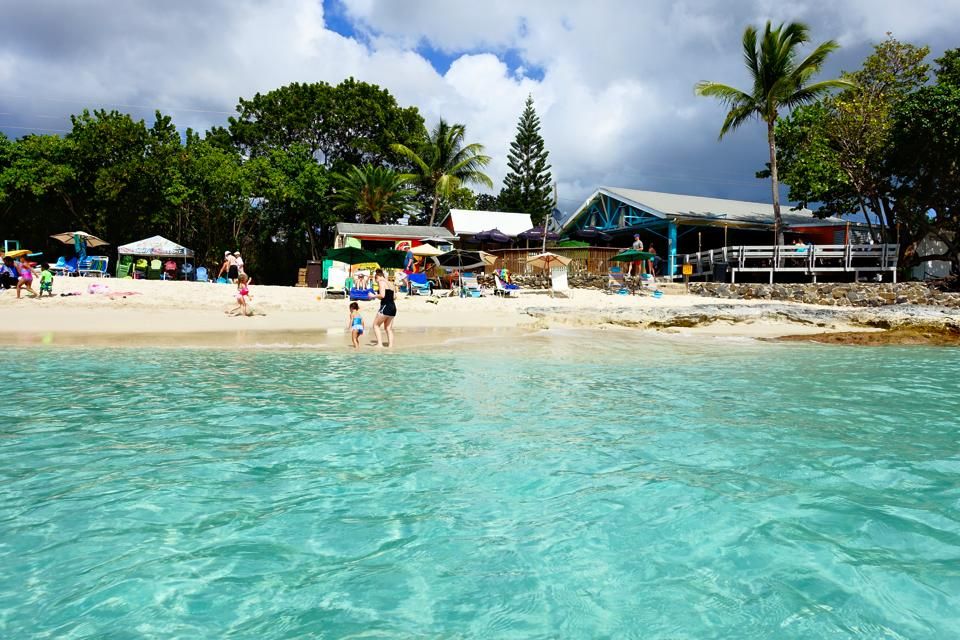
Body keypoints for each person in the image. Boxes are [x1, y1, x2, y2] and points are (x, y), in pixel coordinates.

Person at [371, 268, 396, 348]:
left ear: (377, 276)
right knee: (388, 328)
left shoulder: (381, 282)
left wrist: (373, 296)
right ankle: (390, 346)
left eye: (376, 279)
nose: (376, 282)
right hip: (393, 307)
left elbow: (382, 295)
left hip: (385, 306)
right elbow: (394, 297)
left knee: (375, 325)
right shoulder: (391, 283)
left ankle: (380, 344)